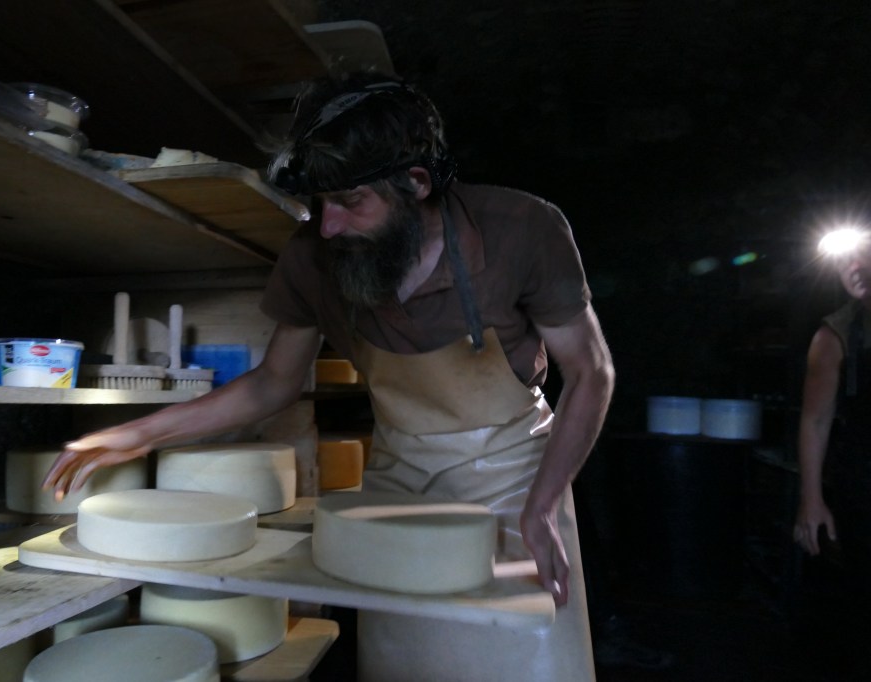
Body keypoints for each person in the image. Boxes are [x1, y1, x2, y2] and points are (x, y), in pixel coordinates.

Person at [45, 71, 614, 681]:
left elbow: (591, 372)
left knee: (521, 657)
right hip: (397, 482)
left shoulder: (521, 229)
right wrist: (139, 434)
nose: (328, 226)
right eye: (320, 203)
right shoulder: (313, 258)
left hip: (515, 478)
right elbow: (272, 383)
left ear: (415, 183)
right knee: (408, 664)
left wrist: (542, 504)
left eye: (350, 201)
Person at [793, 230, 871, 677]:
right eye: (848, 265)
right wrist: (812, 500)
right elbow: (815, 419)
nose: (854, 271)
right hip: (864, 482)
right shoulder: (837, 333)